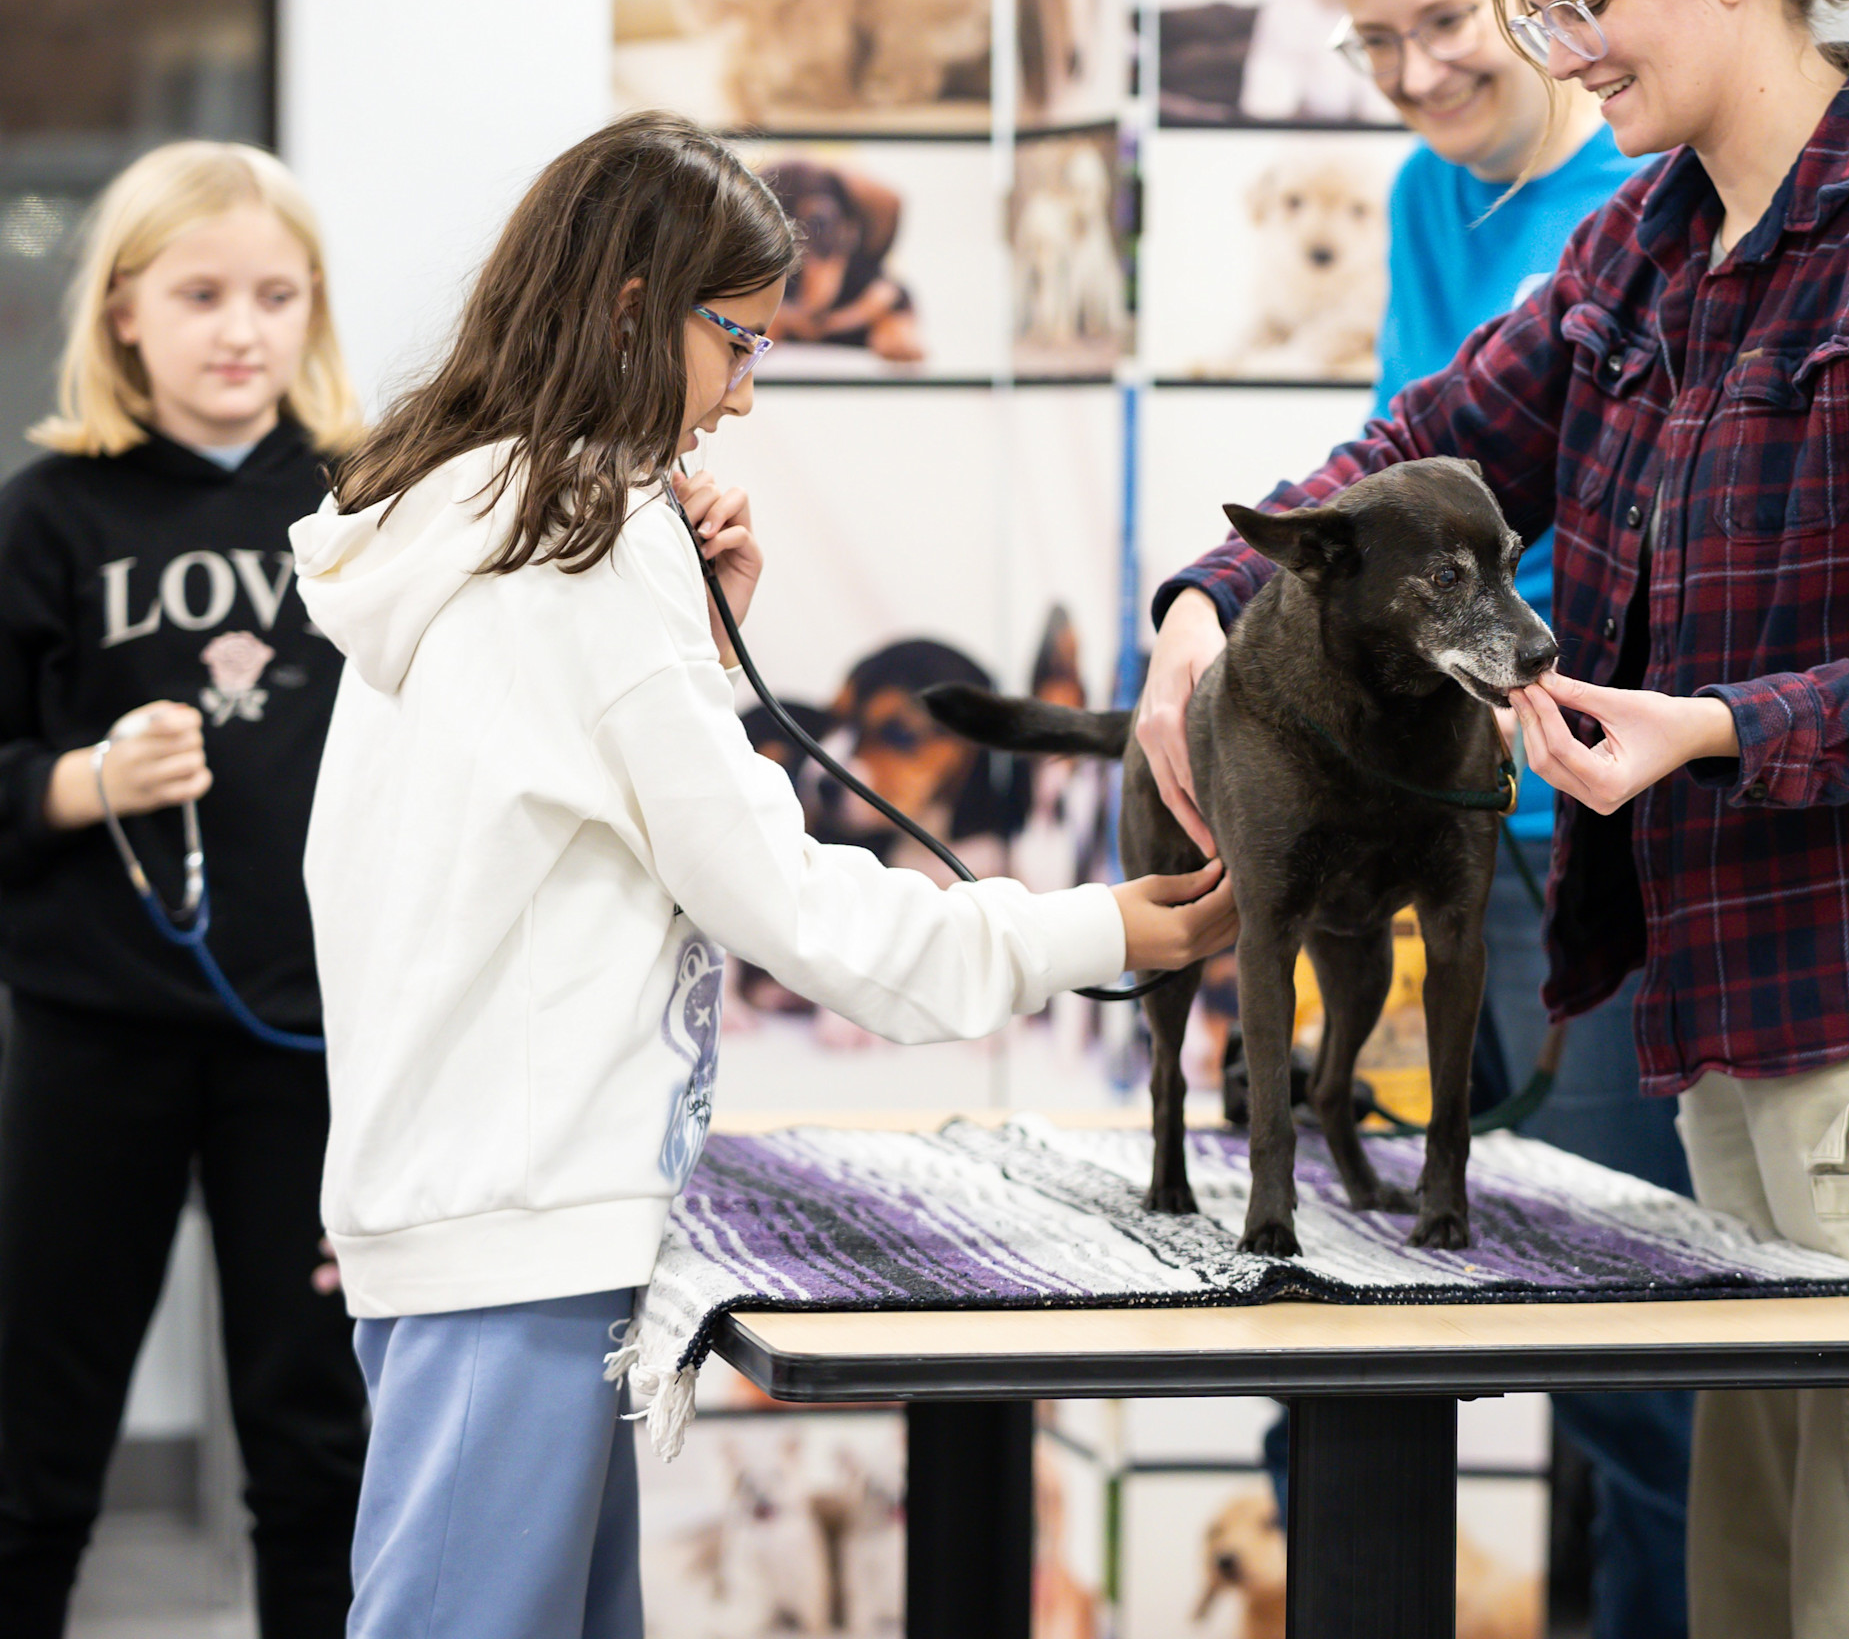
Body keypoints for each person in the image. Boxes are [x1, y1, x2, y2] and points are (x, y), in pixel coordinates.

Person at [1136, 0, 1849, 1639]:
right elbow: (1426, 451)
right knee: (1752, 1585)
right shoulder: (1634, 254)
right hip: (1718, 1029)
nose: (1560, 54)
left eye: (1578, 7)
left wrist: (1721, 729)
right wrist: (1202, 607)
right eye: (1541, 16)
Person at [290, 111, 1236, 1639]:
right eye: (736, 342)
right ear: (625, 313)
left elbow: (604, 820)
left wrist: (708, 629)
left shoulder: (469, 513)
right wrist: (1090, 929)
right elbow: (782, 899)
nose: (743, 394)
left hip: (486, 1205)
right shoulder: (580, 548)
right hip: (516, 1222)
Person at [1330, 0, 1693, 1639]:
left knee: (1627, 1352)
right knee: (1391, 1305)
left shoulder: (1632, 209)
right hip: (1440, 825)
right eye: (1370, 44)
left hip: (1595, 832)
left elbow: (1537, 538)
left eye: (1443, 23)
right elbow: (1409, 473)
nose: (1414, 74)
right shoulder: (1421, 196)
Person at [0, 142, 371, 1637]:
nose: (242, 328)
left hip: (318, 1046)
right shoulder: (51, 516)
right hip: (97, 1040)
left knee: (320, 1448)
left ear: (313, 315)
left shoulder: (372, 508)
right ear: (125, 316)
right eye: (202, 293)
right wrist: (84, 781)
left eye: (276, 295)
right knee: (37, 1442)